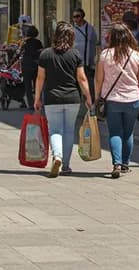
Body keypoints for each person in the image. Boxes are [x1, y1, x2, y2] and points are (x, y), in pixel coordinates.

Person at [93, 23, 139, 179]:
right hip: (133, 100)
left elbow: (99, 79)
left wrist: (96, 97)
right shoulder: (137, 56)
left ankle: (116, 164)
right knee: (128, 133)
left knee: (115, 132)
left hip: (111, 100)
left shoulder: (105, 55)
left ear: (112, 37)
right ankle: (126, 164)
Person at [34, 22, 92, 178]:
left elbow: (40, 78)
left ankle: (57, 156)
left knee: (55, 129)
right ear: (71, 37)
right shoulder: (75, 55)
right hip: (72, 98)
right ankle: (65, 165)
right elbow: (82, 79)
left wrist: (37, 98)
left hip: (52, 98)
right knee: (68, 131)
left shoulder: (45, 54)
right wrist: (88, 97)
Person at [70, 9, 100, 96]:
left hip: (87, 63)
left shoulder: (90, 29)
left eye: (77, 16)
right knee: (76, 83)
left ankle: (91, 101)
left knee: (88, 83)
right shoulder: (72, 29)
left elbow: (94, 43)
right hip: (75, 62)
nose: (75, 19)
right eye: (74, 17)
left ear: (82, 17)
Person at [19, 26, 43, 110]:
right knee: (37, 85)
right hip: (36, 65)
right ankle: (38, 101)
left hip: (26, 65)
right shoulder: (38, 42)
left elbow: (19, 52)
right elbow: (41, 53)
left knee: (28, 85)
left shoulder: (24, 42)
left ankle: (31, 104)